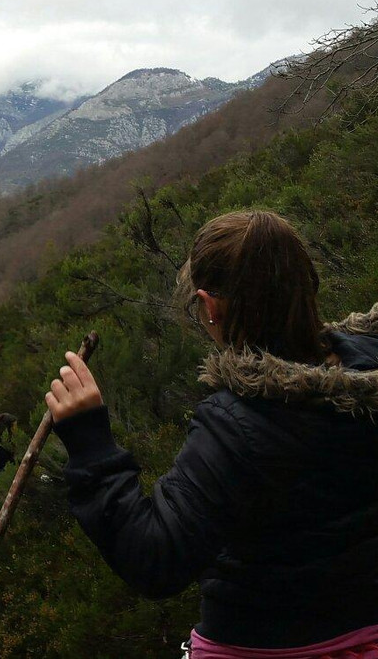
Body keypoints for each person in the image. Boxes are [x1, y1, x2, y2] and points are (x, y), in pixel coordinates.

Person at [46, 210, 378, 657]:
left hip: (267, 643)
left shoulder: (242, 422)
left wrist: (90, 446)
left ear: (209, 306)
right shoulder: (367, 363)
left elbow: (155, 560)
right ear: (308, 282)